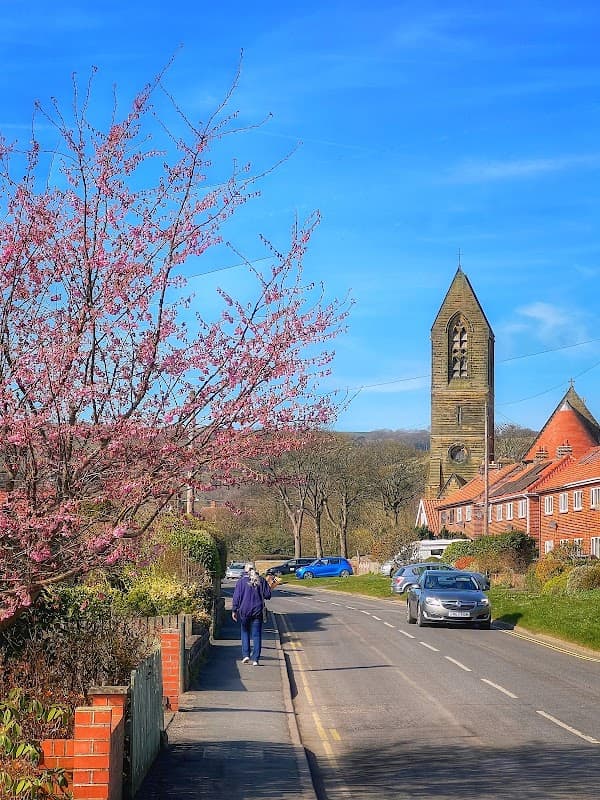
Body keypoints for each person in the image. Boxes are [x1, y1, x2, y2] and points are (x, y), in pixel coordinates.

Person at [231, 563, 272, 665]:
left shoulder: (241, 582)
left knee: (245, 632)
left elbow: (236, 597)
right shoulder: (261, 580)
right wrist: (270, 585)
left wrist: (234, 610)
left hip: (244, 611)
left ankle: (246, 655)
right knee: (257, 635)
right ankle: (256, 659)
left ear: (245, 570)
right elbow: (267, 595)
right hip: (258, 611)